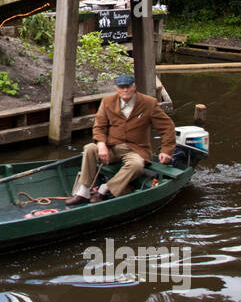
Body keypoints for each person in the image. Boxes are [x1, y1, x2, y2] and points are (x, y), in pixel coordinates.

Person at [66, 74, 176, 206]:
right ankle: (83, 192)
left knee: (136, 165)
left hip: (136, 150)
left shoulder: (149, 103)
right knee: (89, 148)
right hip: (111, 147)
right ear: (116, 88)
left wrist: (166, 150)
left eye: (128, 87)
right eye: (121, 87)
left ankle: (104, 189)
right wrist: (101, 144)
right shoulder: (107, 102)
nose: (125, 90)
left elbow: (167, 127)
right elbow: (99, 126)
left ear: (134, 87)